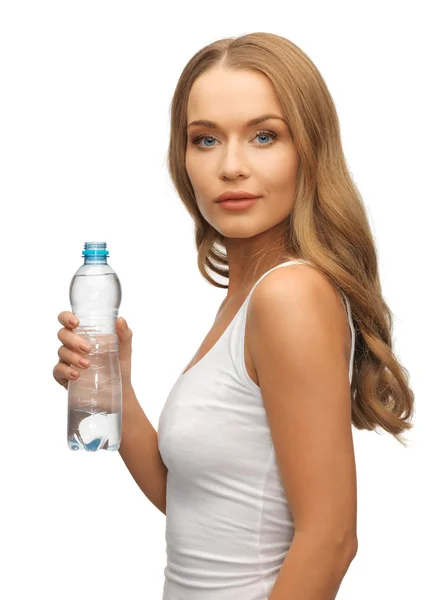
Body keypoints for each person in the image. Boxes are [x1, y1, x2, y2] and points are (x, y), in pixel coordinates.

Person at [53, 32, 414, 600]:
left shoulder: (289, 295)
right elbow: (198, 503)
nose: (231, 166)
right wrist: (113, 385)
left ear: (310, 150)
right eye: (205, 140)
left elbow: (332, 538)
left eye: (264, 136)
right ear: (183, 157)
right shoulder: (247, 299)